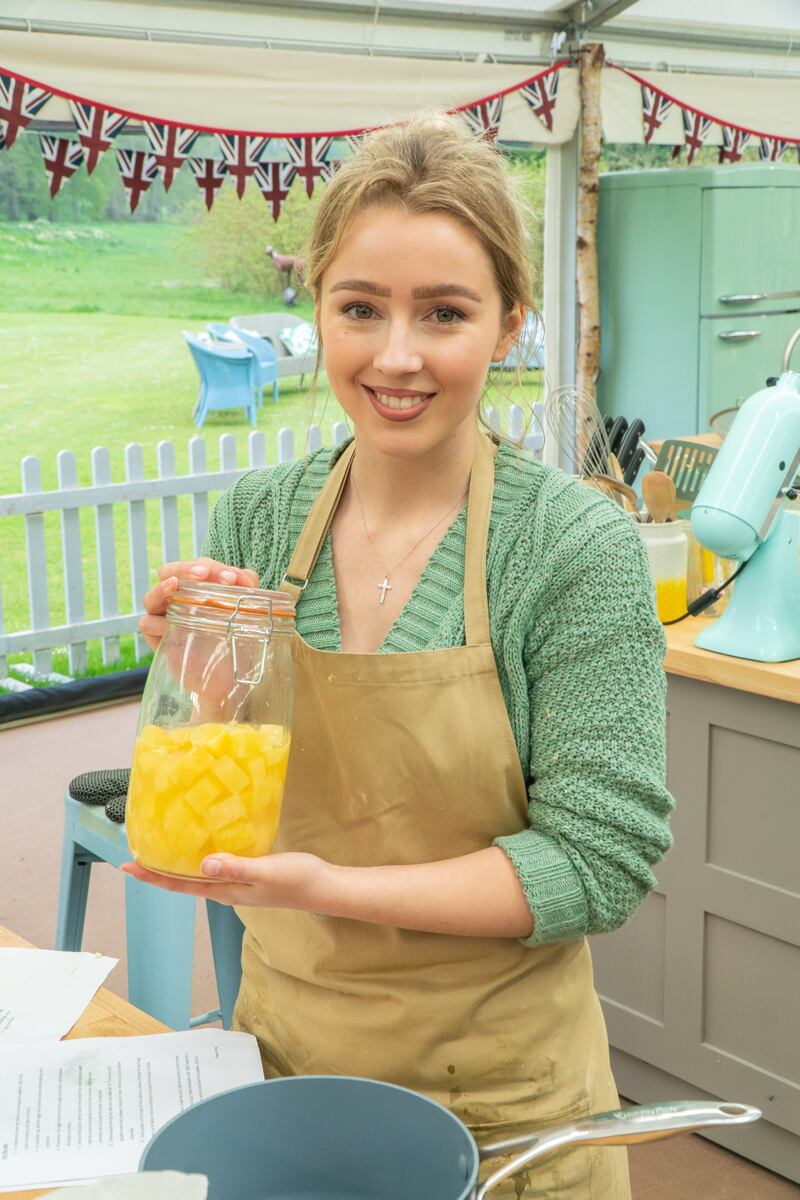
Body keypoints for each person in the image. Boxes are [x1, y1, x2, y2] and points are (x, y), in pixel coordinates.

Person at [128, 112, 674, 1197]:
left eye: (443, 313)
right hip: (287, 1061)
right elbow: (233, 771)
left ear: (510, 323)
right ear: (318, 305)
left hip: (502, 1104)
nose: (396, 356)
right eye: (360, 308)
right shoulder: (260, 519)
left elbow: (598, 863)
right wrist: (190, 668)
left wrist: (330, 885)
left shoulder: (569, 547)